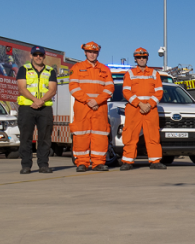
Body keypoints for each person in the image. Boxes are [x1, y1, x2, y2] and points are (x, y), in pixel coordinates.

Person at [69, 41, 114, 172]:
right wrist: (88, 100)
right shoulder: (77, 67)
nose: (92, 55)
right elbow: (73, 87)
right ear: (85, 52)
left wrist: (97, 101)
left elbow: (110, 87)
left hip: (100, 107)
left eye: (94, 52)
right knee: (81, 135)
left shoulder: (105, 69)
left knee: (100, 135)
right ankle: (81, 163)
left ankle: (98, 163)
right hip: (83, 106)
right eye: (90, 52)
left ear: (98, 53)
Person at [120, 47, 165, 170]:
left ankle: (155, 161)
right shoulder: (130, 74)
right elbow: (126, 92)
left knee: (153, 135)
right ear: (135, 59)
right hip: (134, 109)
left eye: (144, 57)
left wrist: (149, 105)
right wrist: (140, 104)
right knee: (130, 135)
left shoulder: (154, 74)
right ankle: (127, 162)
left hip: (150, 109)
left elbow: (159, 92)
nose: (141, 59)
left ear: (147, 58)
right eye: (139, 57)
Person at [15, 45, 57, 174]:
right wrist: (35, 100)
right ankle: (26, 165)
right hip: (27, 107)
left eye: (40, 55)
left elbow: (52, 89)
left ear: (44, 56)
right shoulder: (24, 69)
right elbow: (22, 88)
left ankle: (43, 165)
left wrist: (41, 101)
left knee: (44, 138)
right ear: (31, 56)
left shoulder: (50, 71)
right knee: (26, 137)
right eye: (35, 54)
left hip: (44, 108)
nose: (38, 57)